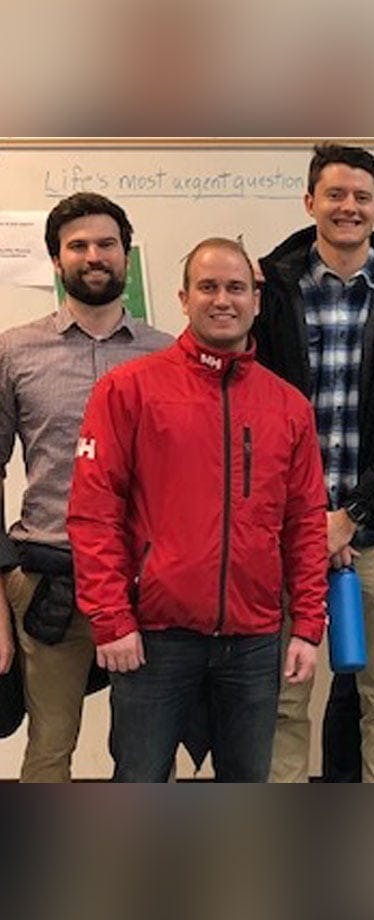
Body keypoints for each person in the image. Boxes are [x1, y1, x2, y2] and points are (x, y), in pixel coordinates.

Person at [67, 238, 328, 782]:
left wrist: (307, 624)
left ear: (256, 299)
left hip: (253, 641)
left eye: (236, 287)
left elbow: (305, 521)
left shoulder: (289, 407)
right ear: (184, 299)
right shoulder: (128, 390)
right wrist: (111, 619)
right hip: (153, 637)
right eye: (207, 287)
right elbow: (94, 513)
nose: (222, 300)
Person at [255, 143, 374, 784]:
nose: (349, 207)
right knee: (283, 700)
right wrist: (311, 520)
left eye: (362, 197)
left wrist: (352, 514)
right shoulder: (270, 290)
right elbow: (253, 415)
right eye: (335, 194)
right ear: (310, 201)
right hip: (286, 535)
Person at [0, 193, 173, 782]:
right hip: (48, 580)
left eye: (106, 244)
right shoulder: (14, 352)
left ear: (126, 255)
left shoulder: (167, 354)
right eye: (78, 246)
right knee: (50, 746)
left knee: (147, 753)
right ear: (56, 260)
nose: (93, 256)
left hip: (146, 584)